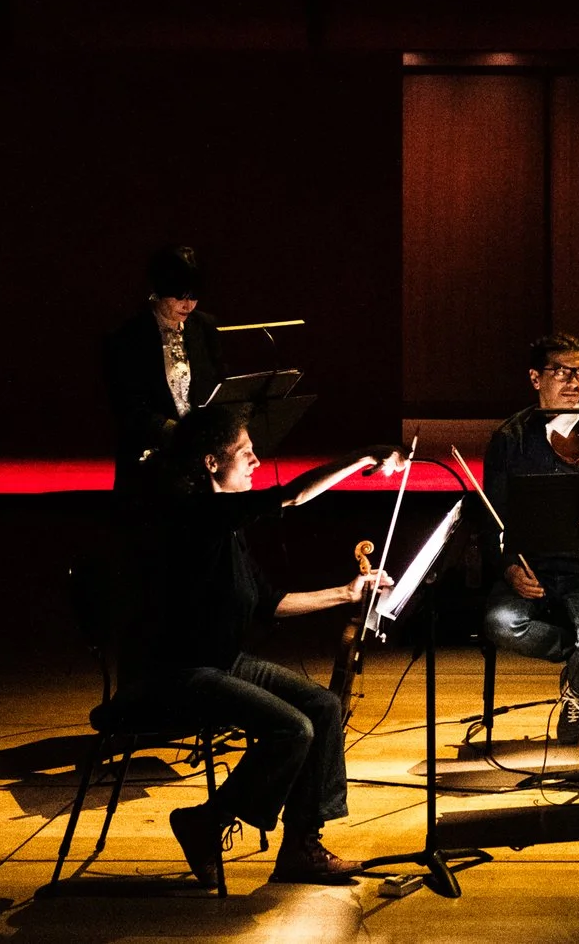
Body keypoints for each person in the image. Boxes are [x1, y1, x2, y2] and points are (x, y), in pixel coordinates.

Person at [130, 403, 401, 890]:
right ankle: (207, 821)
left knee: (323, 706)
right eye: (245, 452)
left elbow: (271, 603)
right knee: (293, 729)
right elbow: (292, 496)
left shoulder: (227, 528)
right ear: (211, 462)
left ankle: (301, 846)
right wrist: (361, 457)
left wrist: (346, 593)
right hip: (180, 674)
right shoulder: (195, 515)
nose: (256, 460)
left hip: (223, 663)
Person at [479, 332, 579, 744]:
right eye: (561, 372)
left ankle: (578, 684)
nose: (573, 382)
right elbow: (492, 517)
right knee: (500, 622)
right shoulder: (510, 439)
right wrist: (510, 568)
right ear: (536, 378)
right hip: (535, 565)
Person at [103, 244, 226, 493]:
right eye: (179, 296)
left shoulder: (205, 326)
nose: (188, 305)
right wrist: (177, 432)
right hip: (151, 458)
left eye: (193, 296)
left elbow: (218, 382)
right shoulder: (127, 335)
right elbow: (126, 405)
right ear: (159, 290)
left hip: (201, 458)